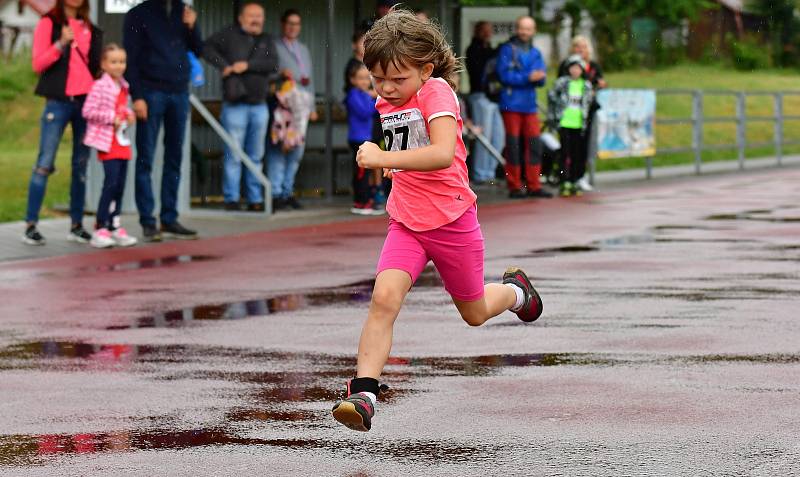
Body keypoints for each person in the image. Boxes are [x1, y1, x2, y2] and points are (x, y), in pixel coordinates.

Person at [330, 10, 544, 433]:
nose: (386, 89)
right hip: (407, 222)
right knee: (384, 297)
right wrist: (395, 166)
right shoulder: (388, 98)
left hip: (451, 220)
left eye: (396, 79)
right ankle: (364, 394)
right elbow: (411, 145)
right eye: (377, 79)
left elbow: (443, 151)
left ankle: (517, 293)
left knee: (475, 311)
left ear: (426, 69)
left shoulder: (437, 93)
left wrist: (384, 158)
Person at [24, 0, 102, 246]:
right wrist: (60, 44)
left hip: (84, 104)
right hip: (58, 103)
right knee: (44, 163)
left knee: (80, 166)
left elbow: (96, 68)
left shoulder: (91, 28)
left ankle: (76, 225)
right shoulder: (49, 23)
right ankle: (31, 225)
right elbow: (38, 64)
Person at [123, 0, 203, 241]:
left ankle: (169, 218)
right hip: (150, 92)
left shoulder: (184, 12)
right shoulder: (138, 14)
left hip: (179, 91)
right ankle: (148, 221)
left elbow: (197, 50)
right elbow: (131, 59)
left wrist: (193, 27)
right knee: (145, 158)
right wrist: (137, 96)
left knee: (175, 158)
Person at [204, 1, 278, 212]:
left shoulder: (266, 39)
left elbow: (273, 64)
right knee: (233, 155)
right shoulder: (229, 34)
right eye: (251, 15)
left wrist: (247, 66)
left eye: (259, 16)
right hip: (234, 104)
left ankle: (254, 198)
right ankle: (232, 199)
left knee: (255, 155)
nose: (256, 20)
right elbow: (205, 47)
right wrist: (224, 66)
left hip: (259, 105)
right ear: (241, 18)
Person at [82, 44, 138, 248]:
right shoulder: (99, 86)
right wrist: (110, 118)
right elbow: (88, 111)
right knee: (111, 183)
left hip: (122, 141)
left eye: (122, 61)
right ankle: (101, 227)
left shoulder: (124, 86)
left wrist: (129, 115)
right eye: (113, 62)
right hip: (107, 142)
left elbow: (123, 107)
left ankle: (115, 225)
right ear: (104, 64)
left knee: (120, 185)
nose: (118, 66)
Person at [496, 16, 552, 199]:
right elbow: (503, 76)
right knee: (513, 145)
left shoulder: (536, 52)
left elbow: (542, 78)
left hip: (529, 105)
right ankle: (514, 185)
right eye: (522, 28)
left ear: (533, 31)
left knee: (534, 144)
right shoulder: (506, 49)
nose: (524, 32)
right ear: (517, 29)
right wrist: (528, 77)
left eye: (528, 29)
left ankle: (534, 185)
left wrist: (532, 77)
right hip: (511, 104)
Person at [267, 9, 316, 211]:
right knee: (279, 148)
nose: (293, 27)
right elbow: (267, 74)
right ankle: (275, 194)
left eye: (296, 24)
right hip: (283, 105)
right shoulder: (274, 46)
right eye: (289, 23)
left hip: (301, 107)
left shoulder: (303, 49)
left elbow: (309, 80)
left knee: (296, 150)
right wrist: (279, 74)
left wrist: (312, 107)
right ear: (282, 24)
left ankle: (287, 192)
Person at [557, 35, 606, 192]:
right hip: (567, 116)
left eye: (583, 47)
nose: (580, 50)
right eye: (577, 47)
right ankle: (565, 178)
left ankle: (579, 176)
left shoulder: (593, 66)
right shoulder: (566, 65)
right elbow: (558, 87)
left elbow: (600, 81)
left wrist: (600, 85)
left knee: (582, 147)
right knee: (566, 149)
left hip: (585, 114)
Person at [547, 55, 593, 197]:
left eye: (578, 68)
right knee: (565, 153)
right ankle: (564, 180)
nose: (575, 70)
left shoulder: (586, 85)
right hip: (565, 123)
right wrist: (555, 116)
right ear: (568, 69)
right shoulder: (562, 83)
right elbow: (551, 97)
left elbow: (588, 102)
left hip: (579, 124)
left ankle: (574, 180)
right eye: (572, 67)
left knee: (576, 154)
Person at [465, 20, 505, 184]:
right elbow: (478, 71)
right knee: (484, 137)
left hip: (493, 97)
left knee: (498, 136)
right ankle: (481, 174)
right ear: (477, 32)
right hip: (480, 96)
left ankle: (490, 172)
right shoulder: (474, 49)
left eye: (489, 30)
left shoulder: (489, 49)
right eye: (484, 31)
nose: (487, 34)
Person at [344, 61, 384, 216]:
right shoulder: (353, 95)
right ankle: (361, 202)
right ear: (352, 80)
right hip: (357, 138)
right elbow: (364, 112)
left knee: (365, 172)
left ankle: (366, 200)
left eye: (367, 78)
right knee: (361, 172)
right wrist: (376, 99)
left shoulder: (363, 94)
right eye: (360, 78)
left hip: (365, 137)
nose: (365, 82)